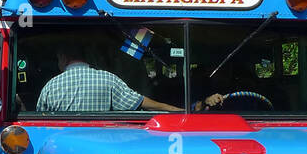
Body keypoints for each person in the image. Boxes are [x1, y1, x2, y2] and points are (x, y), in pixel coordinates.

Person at [36, 50, 222, 113]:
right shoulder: (107, 79)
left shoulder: (51, 86)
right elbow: (143, 103)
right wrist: (181, 111)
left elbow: (41, 121)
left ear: (62, 57)